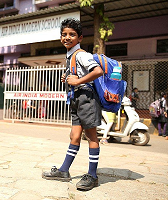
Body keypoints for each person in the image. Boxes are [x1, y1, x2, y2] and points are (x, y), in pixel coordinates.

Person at [42, 18, 103, 191]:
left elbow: (97, 71)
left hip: (87, 99)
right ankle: (63, 171)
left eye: (72, 35)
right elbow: (77, 76)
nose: (67, 37)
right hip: (77, 99)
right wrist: (69, 80)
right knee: (74, 136)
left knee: (92, 136)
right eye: (64, 34)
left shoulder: (82, 54)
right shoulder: (70, 55)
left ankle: (92, 176)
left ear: (80, 38)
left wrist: (78, 82)